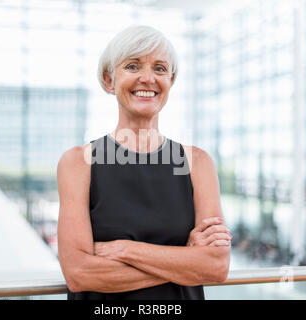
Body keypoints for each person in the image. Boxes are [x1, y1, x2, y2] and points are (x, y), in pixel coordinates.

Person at [57, 25, 231, 300]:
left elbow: (216, 266)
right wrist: (186, 259)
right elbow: (79, 273)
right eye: (133, 66)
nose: (148, 78)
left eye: (160, 69)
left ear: (171, 81)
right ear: (108, 80)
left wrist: (125, 250)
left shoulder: (198, 163)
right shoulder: (78, 163)